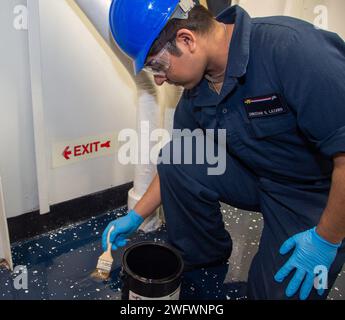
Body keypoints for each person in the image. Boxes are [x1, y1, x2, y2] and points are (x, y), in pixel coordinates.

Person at [103, 0, 345, 300]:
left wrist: (326, 238)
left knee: (277, 293)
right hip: (258, 174)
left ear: (187, 40)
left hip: (313, 192)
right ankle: (202, 257)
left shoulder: (293, 50)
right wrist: (136, 217)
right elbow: (179, 161)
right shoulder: (197, 89)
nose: (160, 79)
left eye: (157, 65)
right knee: (178, 156)